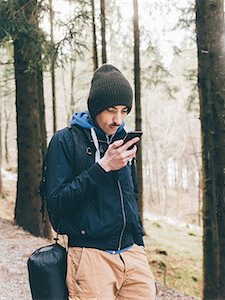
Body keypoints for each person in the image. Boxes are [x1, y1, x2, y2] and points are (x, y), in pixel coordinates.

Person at [45, 64, 156, 300]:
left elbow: (130, 196)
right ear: (95, 107)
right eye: (111, 110)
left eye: (124, 110)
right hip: (91, 256)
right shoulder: (65, 141)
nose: (118, 119)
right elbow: (56, 205)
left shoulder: (123, 141)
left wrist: (139, 244)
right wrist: (103, 167)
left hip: (132, 256)